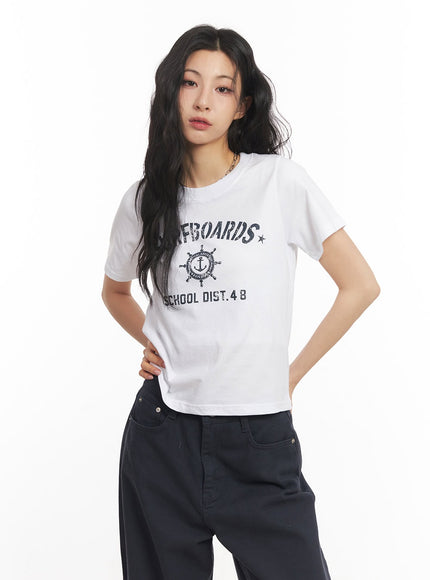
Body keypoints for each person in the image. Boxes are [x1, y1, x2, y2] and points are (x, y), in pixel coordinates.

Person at [101, 24, 380, 580]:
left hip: (260, 438)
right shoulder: (143, 200)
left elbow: (360, 286)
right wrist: (155, 341)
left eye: (222, 88)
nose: (203, 100)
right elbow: (114, 291)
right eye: (190, 82)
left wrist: (289, 375)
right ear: (171, 92)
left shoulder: (279, 183)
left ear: (241, 105)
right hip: (162, 434)